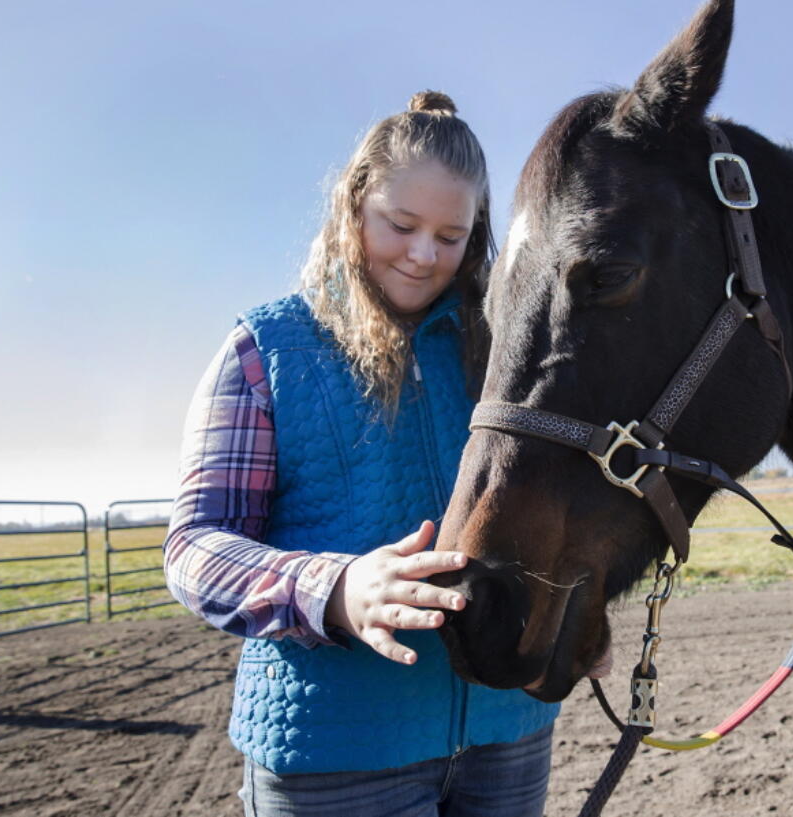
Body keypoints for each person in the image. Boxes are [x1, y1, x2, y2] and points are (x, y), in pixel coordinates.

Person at [163, 91, 560, 817]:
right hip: (334, 753)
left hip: (509, 735)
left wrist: (568, 618)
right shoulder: (267, 350)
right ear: (353, 206)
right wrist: (334, 588)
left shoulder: (503, 354)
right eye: (400, 224)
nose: (423, 255)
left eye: (452, 236)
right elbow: (192, 548)